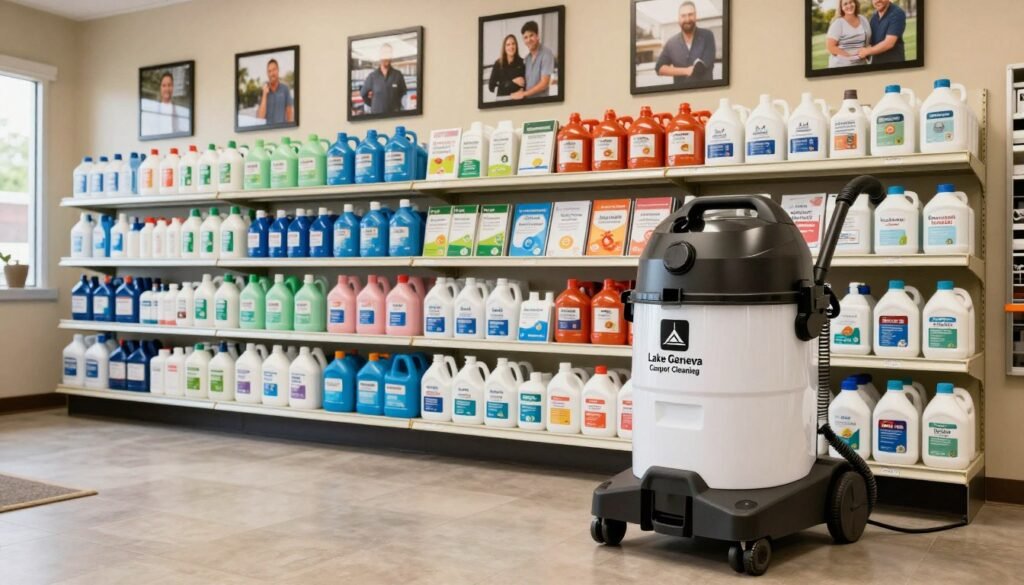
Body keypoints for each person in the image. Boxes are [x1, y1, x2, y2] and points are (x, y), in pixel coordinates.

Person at [654, 1, 716, 88]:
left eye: (690, 14)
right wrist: (686, 71)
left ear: (695, 16)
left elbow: (703, 66)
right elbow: (659, 68)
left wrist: (688, 70)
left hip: (705, 92)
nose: (687, 19)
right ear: (678, 19)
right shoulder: (671, 43)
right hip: (680, 95)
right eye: (683, 16)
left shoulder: (707, 36)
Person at [511, 20, 555, 100]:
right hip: (528, 104)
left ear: (537, 36)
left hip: (541, 103)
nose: (528, 40)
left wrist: (524, 94)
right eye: (525, 37)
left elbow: (544, 83)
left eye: (531, 35)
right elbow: (525, 83)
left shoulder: (547, 53)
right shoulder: (526, 59)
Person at [359, 44, 408, 115]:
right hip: (377, 118)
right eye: (385, 53)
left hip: (395, 117)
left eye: (389, 53)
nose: (387, 57)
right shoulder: (372, 76)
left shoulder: (398, 75)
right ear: (380, 55)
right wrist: (374, 105)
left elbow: (403, 94)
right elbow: (363, 94)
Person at [140, 70, 189, 136]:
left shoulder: (180, 110)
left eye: (169, 85)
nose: (167, 89)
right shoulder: (152, 110)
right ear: (160, 88)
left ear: (173, 87)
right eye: (164, 85)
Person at [826, 0, 872, 68]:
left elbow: (868, 40)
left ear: (855, 3)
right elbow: (830, 47)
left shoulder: (863, 19)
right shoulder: (838, 23)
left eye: (851, 2)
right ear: (841, 7)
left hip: (861, 64)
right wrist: (850, 57)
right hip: (841, 66)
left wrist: (867, 51)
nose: (849, 5)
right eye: (845, 4)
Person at [858, 0, 906, 65]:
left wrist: (867, 51)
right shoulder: (874, 18)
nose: (877, 1)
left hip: (893, 66)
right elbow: (870, 43)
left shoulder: (897, 13)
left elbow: (889, 43)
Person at [256, 58, 294, 125]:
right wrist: (264, 94)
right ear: (267, 73)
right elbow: (260, 118)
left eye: (274, 70)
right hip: (267, 132)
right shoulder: (263, 90)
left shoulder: (285, 89)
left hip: (281, 131)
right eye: (269, 71)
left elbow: (290, 115)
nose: (272, 73)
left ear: (278, 70)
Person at [488, 34, 526, 98]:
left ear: (516, 46)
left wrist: (523, 90)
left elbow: (526, 84)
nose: (511, 47)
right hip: (502, 99)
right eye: (508, 44)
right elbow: (491, 87)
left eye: (513, 44)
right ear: (504, 48)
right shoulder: (498, 64)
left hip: (517, 99)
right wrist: (513, 82)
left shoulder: (522, 62)